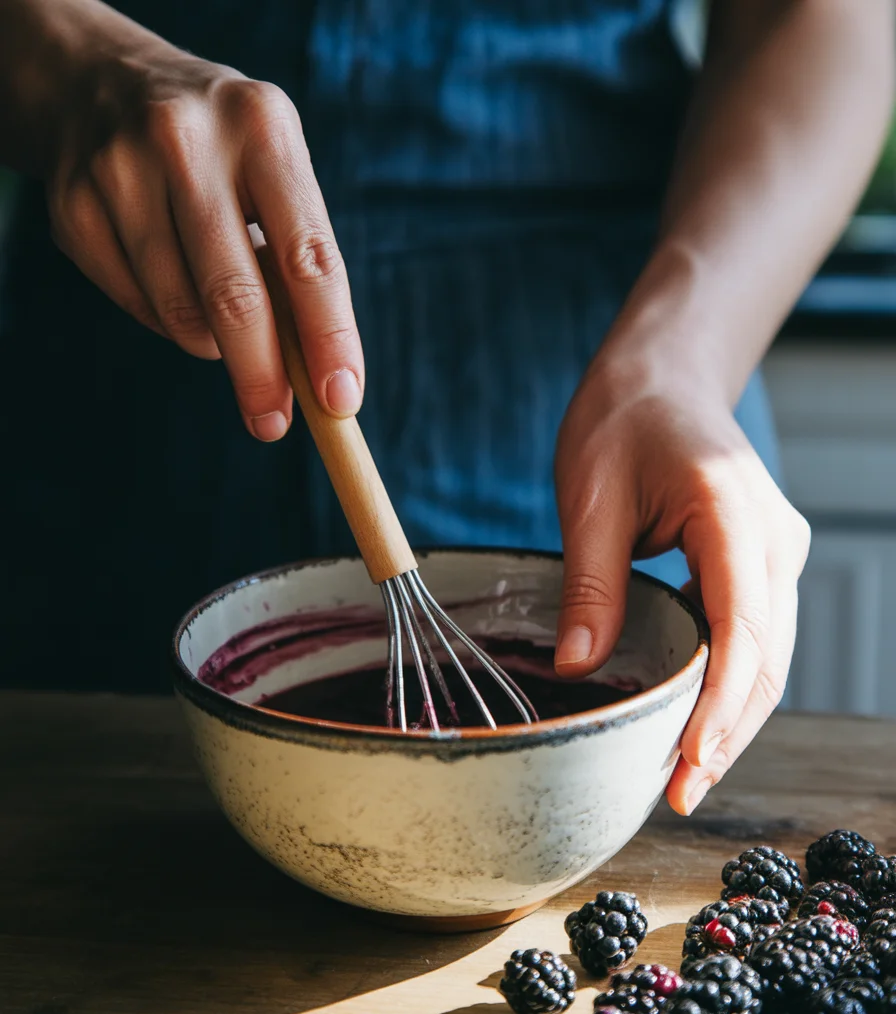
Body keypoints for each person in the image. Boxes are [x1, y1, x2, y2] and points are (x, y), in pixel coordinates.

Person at [0, 0, 891, 815]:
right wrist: (65, 60)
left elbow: (820, 19)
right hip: (126, 402)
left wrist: (686, 359)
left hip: (603, 379)